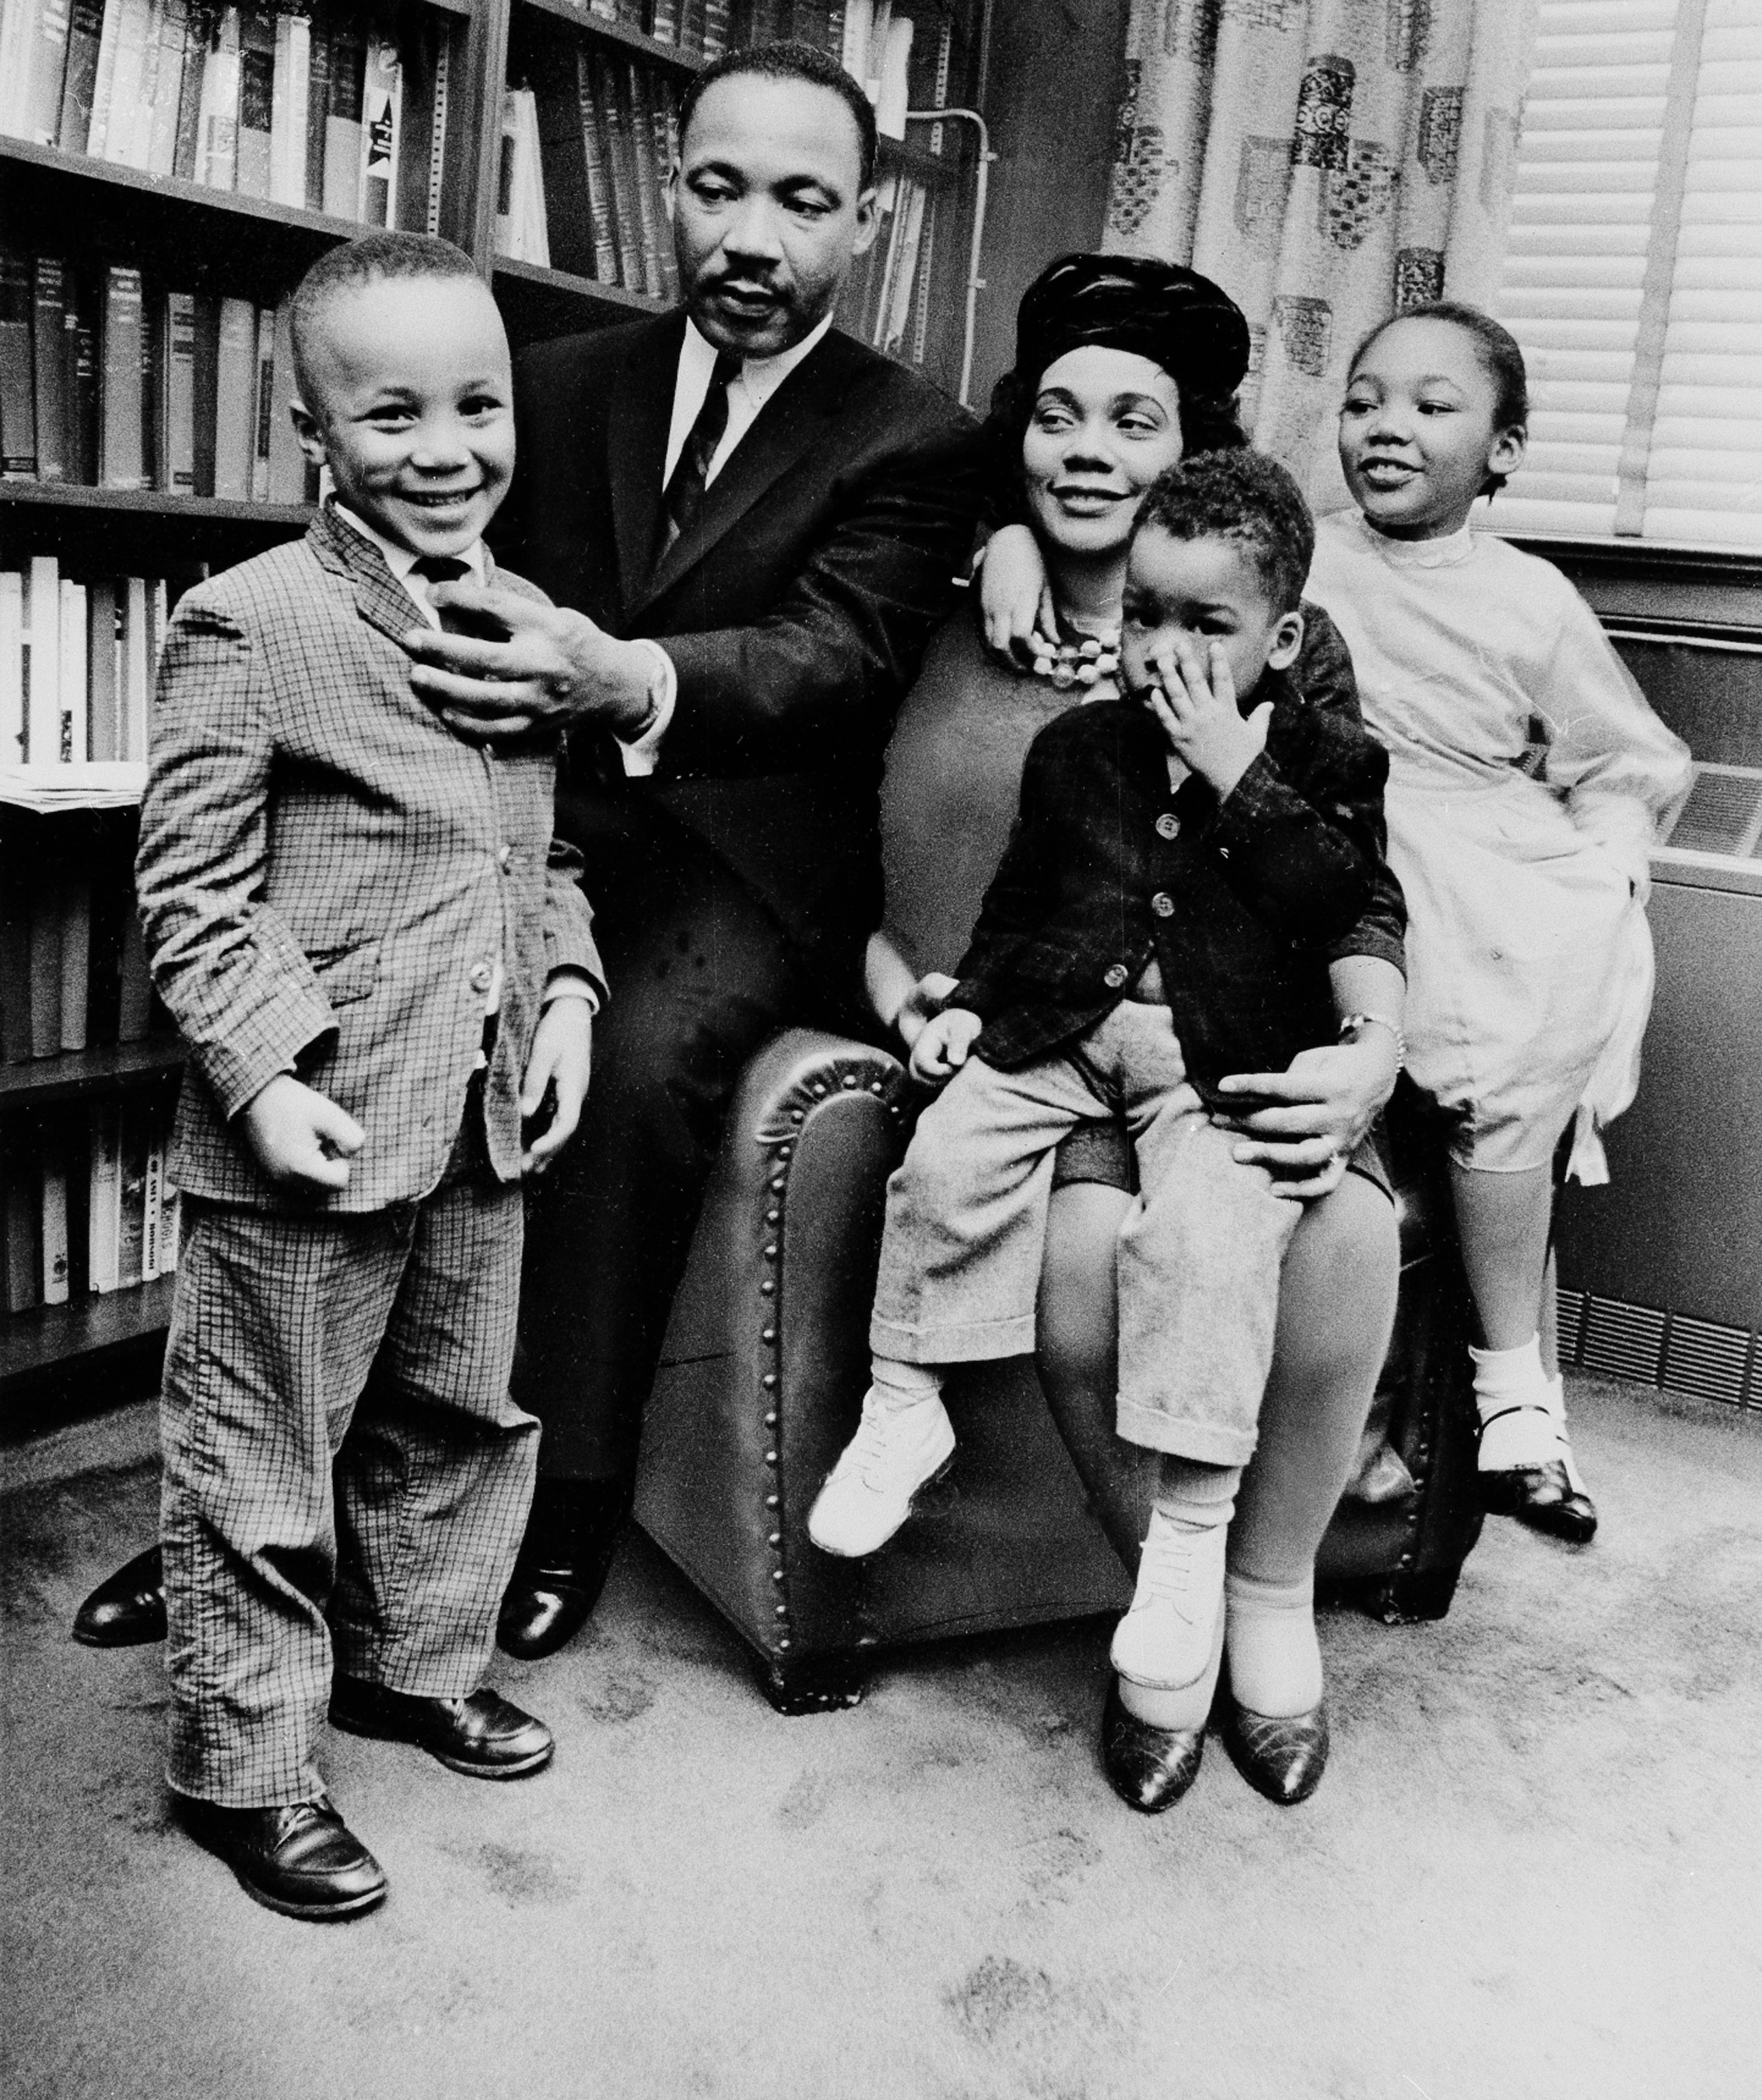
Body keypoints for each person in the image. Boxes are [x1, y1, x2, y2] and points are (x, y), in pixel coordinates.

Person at [68, 37, 985, 1663]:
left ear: (863, 229)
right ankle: (252, 1513)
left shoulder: (909, 435)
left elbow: (831, 661)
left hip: (731, 856)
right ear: (669, 193)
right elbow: (392, 543)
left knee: (622, 1072)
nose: (750, 239)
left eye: (799, 201)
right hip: (487, 812)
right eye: (715, 189)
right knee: (317, 1035)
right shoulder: (545, 377)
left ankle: (559, 1506)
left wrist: (621, 678)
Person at [885, 253, 1404, 1810]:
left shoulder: (1284, 662)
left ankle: (1261, 1596)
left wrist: (1368, 1046)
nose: (1086, 452)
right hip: (1047, 1045)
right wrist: (927, 1004)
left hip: (1231, 1048)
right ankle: (1160, 1607)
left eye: (1133, 420)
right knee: (1070, 1270)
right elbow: (909, 891)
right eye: (1054, 416)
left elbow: (1358, 895)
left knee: (1338, 1239)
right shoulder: (956, 598)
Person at [133, 233, 603, 1921]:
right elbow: (188, 896)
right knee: (258, 1455)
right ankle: (243, 1766)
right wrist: (261, 1079)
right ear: (310, 429)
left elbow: (536, 858)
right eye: (390, 414)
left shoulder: (528, 626)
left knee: (462, 1415)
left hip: (479, 1113)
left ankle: (415, 1662)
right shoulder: (245, 624)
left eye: (477, 404)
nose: (446, 447)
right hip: (310, 1135)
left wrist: (563, 995)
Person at [1307, 303, 1690, 1542]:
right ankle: (1396, 1419)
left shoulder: (1528, 598)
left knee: (1505, 1077)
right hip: (1333, 842)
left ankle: (1518, 1400)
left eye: (1431, 405)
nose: (1387, 426)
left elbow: (1624, 758)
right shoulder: (1294, 557)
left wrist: (1609, 861)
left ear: (1504, 451)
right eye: (1365, 398)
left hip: (1481, 863)